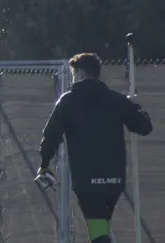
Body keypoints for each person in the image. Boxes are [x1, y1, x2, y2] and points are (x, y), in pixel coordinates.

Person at [37, 53, 153, 243]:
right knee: (101, 226)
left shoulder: (68, 101)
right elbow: (144, 127)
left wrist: (44, 163)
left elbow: (51, 135)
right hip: (114, 181)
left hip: (87, 181)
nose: (73, 78)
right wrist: (136, 107)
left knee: (99, 232)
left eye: (74, 74)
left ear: (81, 73)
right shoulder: (117, 100)